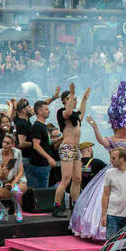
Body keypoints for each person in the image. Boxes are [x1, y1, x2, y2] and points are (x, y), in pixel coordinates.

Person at [70, 82, 126, 241]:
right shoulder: (113, 139)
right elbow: (101, 141)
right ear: (118, 124)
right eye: (124, 122)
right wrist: (96, 128)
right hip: (118, 172)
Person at [53, 84, 90, 217]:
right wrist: (72, 93)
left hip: (76, 148)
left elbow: (80, 112)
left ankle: (75, 205)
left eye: (75, 99)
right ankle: (57, 206)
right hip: (67, 147)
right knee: (66, 178)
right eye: (72, 99)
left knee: (77, 178)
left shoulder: (75, 116)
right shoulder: (61, 112)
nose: (75, 101)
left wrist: (84, 99)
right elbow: (68, 112)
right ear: (65, 101)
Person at [0, 133, 27, 223]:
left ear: (13, 145)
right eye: (4, 142)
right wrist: (3, 173)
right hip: (5, 184)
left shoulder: (17, 152)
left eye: (8, 143)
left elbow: (21, 171)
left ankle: (18, 211)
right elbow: (0, 176)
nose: (5, 145)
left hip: (19, 181)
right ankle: (4, 212)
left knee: (15, 190)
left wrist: (13, 184)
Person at [28, 100, 55, 189]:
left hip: (44, 165)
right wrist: (49, 158)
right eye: (46, 109)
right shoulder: (37, 126)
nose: (49, 111)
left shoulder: (43, 126)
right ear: (39, 111)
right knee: (41, 192)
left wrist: (61, 139)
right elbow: (36, 145)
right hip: (39, 165)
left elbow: (46, 142)